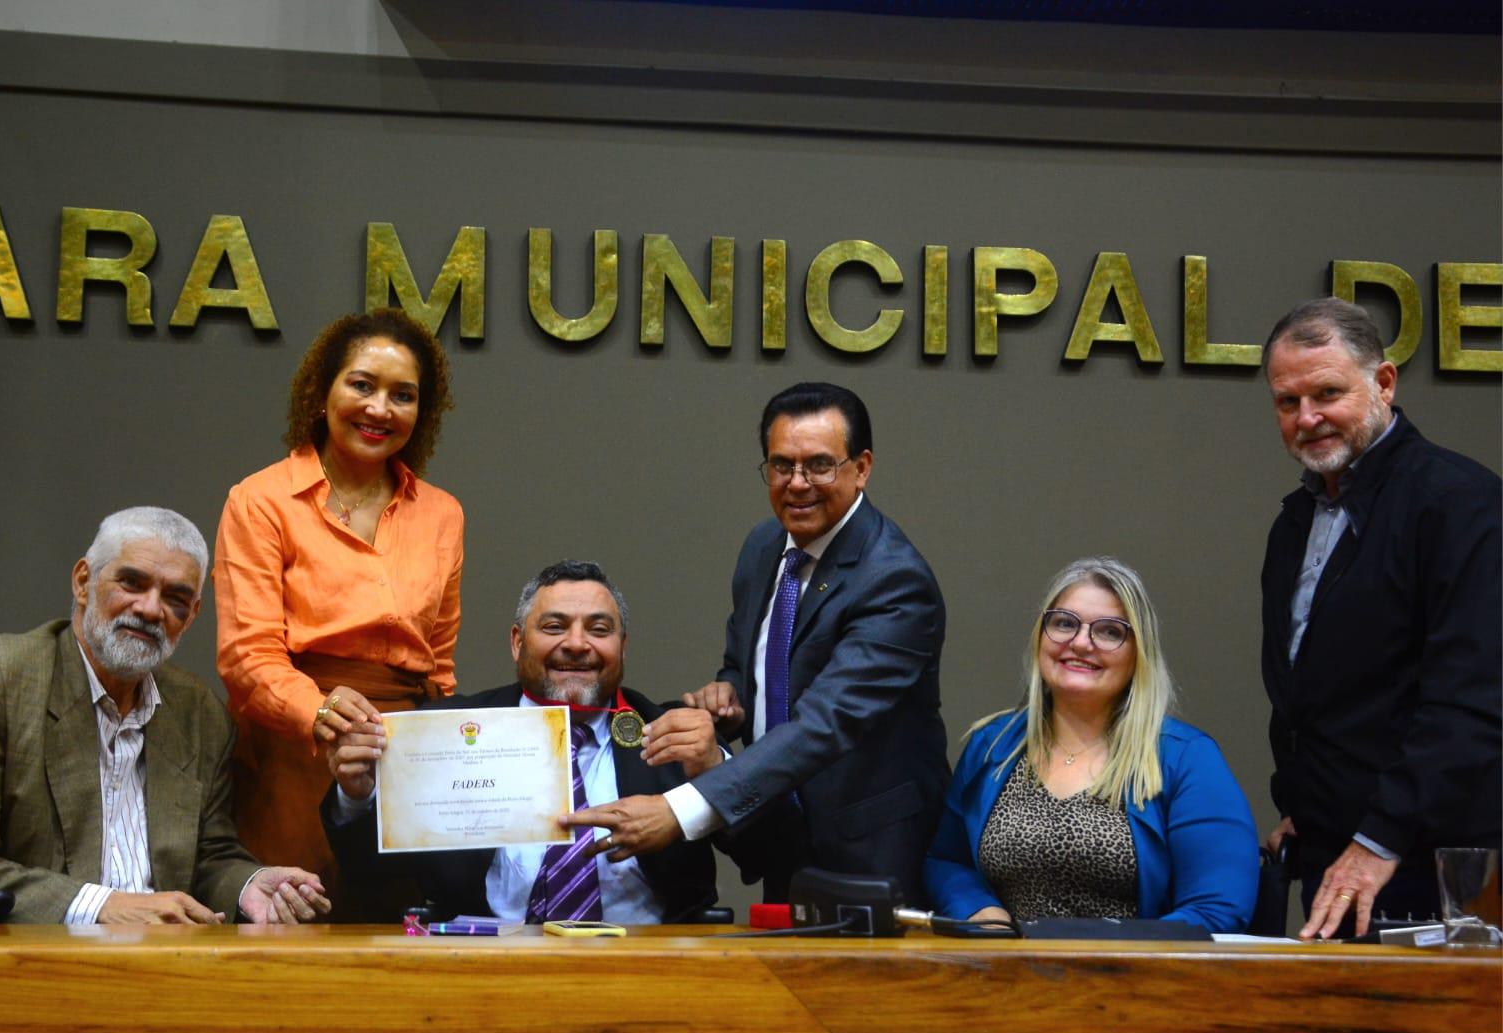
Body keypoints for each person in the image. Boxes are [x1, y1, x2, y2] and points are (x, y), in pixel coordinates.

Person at [566, 382, 949, 905]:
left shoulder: (896, 581)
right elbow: (757, 668)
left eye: (819, 465)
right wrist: (729, 698)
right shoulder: (764, 547)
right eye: (781, 465)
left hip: (872, 853)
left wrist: (681, 809)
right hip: (781, 834)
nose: (797, 484)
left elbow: (824, 723)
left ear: (861, 468)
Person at [0, 508, 328, 924]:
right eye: (131, 582)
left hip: (168, 963)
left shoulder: (198, 713)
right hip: (33, 967)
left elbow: (209, 856)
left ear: (192, 615)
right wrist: (102, 906)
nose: (149, 609)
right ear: (83, 581)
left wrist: (248, 885)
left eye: (175, 598)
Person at [1259, 297, 1501, 939]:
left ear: (1384, 383)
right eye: (1288, 402)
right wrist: (1301, 806)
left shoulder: (1463, 505)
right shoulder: (1294, 522)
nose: (1308, 418)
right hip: (1335, 860)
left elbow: (1470, 704)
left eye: (1328, 393)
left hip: (1431, 868)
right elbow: (1311, 699)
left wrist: (1377, 839)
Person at [214, 308, 463, 903]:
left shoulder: (443, 512)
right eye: (362, 385)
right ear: (320, 392)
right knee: (295, 938)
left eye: (403, 395)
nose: (380, 408)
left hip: (406, 761)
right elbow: (248, 659)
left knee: (405, 939)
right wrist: (323, 714)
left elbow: (441, 670)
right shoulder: (260, 500)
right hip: (295, 756)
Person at [322, 561, 727, 923]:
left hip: (652, 968)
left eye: (599, 629)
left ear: (623, 647)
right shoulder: (446, 731)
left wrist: (717, 767)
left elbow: (763, 850)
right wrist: (357, 797)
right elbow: (369, 873)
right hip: (485, 966)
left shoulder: (675, 734)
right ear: (518, 642)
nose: (576, 643)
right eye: (554, 626)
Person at [924, 557, 1258, 933]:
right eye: (1064, 623)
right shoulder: (993, 745)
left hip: (1135, 980)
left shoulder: (1186, 758)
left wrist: (1096, 948)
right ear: (1040, 636)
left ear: (1138, 653)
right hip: (1006, 978)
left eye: (1110, 631)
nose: (1081, 643)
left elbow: (1217, 907)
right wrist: (982, 911)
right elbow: (947, 860)